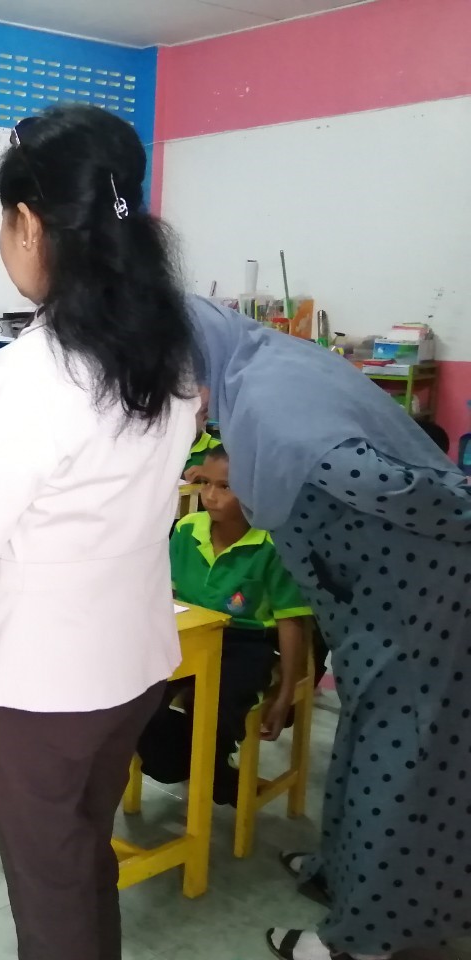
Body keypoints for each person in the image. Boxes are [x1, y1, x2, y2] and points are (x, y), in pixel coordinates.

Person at [0, 104, 198, 960]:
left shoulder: (30, 374)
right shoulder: (169, 354)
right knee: (82, 862)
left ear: (30, 224)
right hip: (132, 665)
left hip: (39, 687)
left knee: (50, 892)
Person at [188, 295, 471, 960]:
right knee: (366, 739)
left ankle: (363, 940)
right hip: (380, 601)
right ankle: (344, 875)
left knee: (397, 761)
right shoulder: (255, 368)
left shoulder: (273, 409)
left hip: (419, 603)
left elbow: (390, 484)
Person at [137, 444, 311, 806]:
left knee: (216, 705)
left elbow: (291, 620)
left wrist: (285, 693)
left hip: (245, 642)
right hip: (189, 633)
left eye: (226, 486)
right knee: (137, 695)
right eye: (205, 483)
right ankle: (199, 765)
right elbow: (165, 593)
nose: (210, 496)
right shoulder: (187, 530)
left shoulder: (272, 544)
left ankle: (209, 766)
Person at [181, 386, 221, 481]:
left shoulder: (217, 450)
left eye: (187, 417)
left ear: (204, 418)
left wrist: (209, 474)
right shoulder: (163, 448)